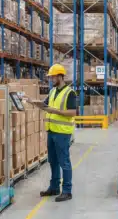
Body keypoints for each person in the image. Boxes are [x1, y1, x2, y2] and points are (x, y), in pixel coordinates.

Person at [27, 64, 77, 202]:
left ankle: (67, 190)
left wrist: (54, 111)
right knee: (53, 161)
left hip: (62, 133)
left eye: (53, 76)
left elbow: (73, 112)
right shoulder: (52, 91)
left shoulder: (70, 93)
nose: (51, 79)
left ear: (61, 76)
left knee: (64, 162)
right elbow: (46, 106)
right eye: (50, 77)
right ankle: (54, 187)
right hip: (51, 131)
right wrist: (32, 102)